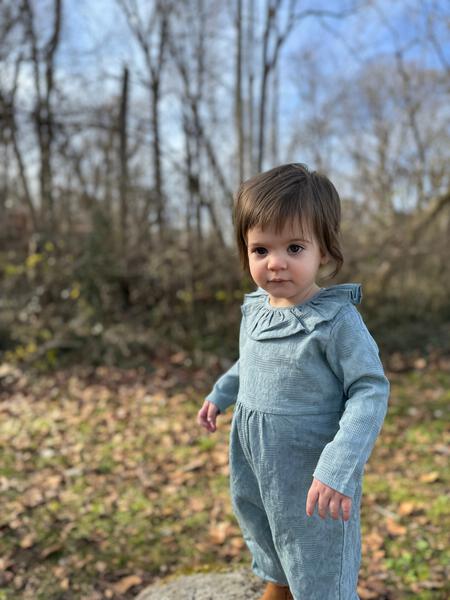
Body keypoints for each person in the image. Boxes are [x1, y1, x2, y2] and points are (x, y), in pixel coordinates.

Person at [197, 163, 390, 600]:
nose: (275, 263)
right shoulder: (256, 309)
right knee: (262, 521)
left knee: (315, 545)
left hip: (311, 462)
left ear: (325, 251)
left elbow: (370, 390)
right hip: (253, 454)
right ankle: (279, 584)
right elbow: (250, 362)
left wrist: (339, 465)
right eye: (260, 249)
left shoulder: (336, 320)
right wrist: (221, 394)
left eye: (295, 247)